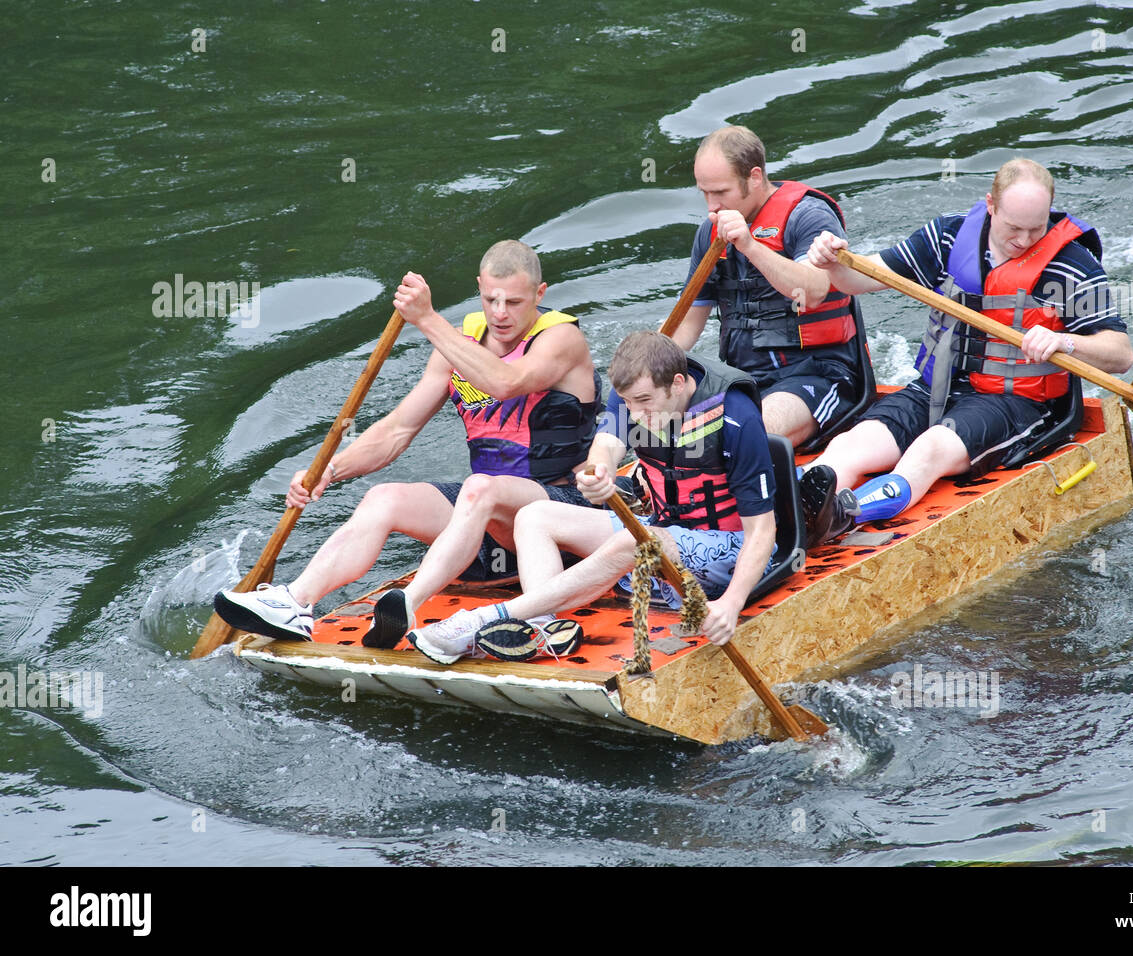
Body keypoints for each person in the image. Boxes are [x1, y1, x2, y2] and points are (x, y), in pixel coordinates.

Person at [213, 240, 600, 646]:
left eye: (515, 302)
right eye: (491, 299)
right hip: (490, 530)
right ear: (479, 289)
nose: (501, 313)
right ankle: (296, 603)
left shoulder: (560, 339)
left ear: (539, 294)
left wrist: (428, 319)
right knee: (385, 497)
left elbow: (507, 383)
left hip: (562, 518)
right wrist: (330, 469)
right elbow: (398, 429)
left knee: (480, 487)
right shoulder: (460, 343)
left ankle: (408, 603)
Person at [797, 158, 1133, 544]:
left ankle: (842, 515)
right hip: (935, 387)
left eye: (1035, 229)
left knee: (929, 449)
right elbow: (861, 279)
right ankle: (795, 505)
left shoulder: (1072, 266)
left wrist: (1066, 341)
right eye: (1013, 227)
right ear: (990, 205)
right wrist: (833, 262)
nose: (1024, 240)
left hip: (1012, 402)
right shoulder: (948, 236)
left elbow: (1120, 354)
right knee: (853, 444)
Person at [405, 331, 777, 663]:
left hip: (728, 549)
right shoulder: (632, 394)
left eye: (645, 402)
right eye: (629, 403)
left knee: (637, 543)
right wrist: (599, 472)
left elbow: (762, 531)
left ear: (678, 384)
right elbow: (607, 445)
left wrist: (731, 604)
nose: (637, 415)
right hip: (663, 531)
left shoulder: (736, 418)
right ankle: (542, 628)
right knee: (535, 516)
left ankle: (490, 619)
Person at [672, 125, 868, 447]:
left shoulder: (808, 215)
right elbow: (686, 328)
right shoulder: (708, 235)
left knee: (745, 435)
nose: (711, 206)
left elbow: (815, 291)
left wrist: (750, 245)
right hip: (743, 380)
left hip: (817, 374)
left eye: (721, 193)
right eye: (704, 193)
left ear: (754, 177)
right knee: (667, 430)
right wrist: (647, 370)